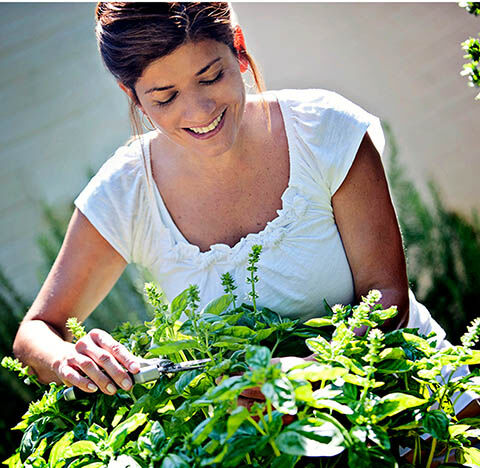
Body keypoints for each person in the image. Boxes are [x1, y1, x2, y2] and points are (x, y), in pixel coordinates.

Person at [12, 2, 477, 416]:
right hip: (261, 426)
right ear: (130, 94)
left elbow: (387, 299)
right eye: (165, 97)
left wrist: (306, 375)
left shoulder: (324, 131)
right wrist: (70, 360)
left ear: (237, 47)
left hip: (411, 390)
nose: (198, 112)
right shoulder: (125, 193)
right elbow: (36, 331)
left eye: (211, 76)